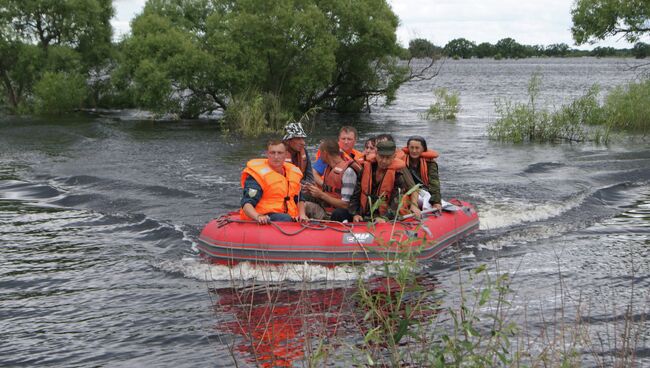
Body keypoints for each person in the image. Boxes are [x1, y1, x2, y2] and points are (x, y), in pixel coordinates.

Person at [350, 140, 421, 223]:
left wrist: (384, 218)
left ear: (394, 157)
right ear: (376, 154)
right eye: (381, 156)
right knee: (339, 213)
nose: (383, 161)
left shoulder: (398, 175)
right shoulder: (365, 169)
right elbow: (356, 195)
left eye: (388, 158)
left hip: (383, 216)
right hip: (363, 214)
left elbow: (395, 202)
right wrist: (355, 213)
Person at [240, 140, 308, 224]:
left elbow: (299, 198)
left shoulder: (292, 173)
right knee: (285, 218)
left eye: (280, 153)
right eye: (272, 153)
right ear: (267, 154)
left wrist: (302, 214)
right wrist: (258, 216)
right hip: (264, 215)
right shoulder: (257, 176)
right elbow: (247, 203)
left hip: (289, 215)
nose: (276, 157)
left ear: (286, 154)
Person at [303, 139, 361, 222]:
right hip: (327, 208)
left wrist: (321, 194)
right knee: (303, 200)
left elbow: (345, 205)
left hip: (340, 213)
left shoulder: (348, 172)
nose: (319, 156)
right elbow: (328, 192)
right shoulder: (328, 167)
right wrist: (312, 191)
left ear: (325, 153)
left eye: (320, 153)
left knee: (337, 213)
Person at [402, 136, 442, 211]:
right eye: (411, 147)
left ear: (423, 149)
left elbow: (434, 184)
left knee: (426, 200)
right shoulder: (402, 161)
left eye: (417, 148)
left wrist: (436, 202)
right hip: (407, 191)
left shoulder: (430, 163)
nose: (414, 151)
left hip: (423, 192)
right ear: (408, 148)